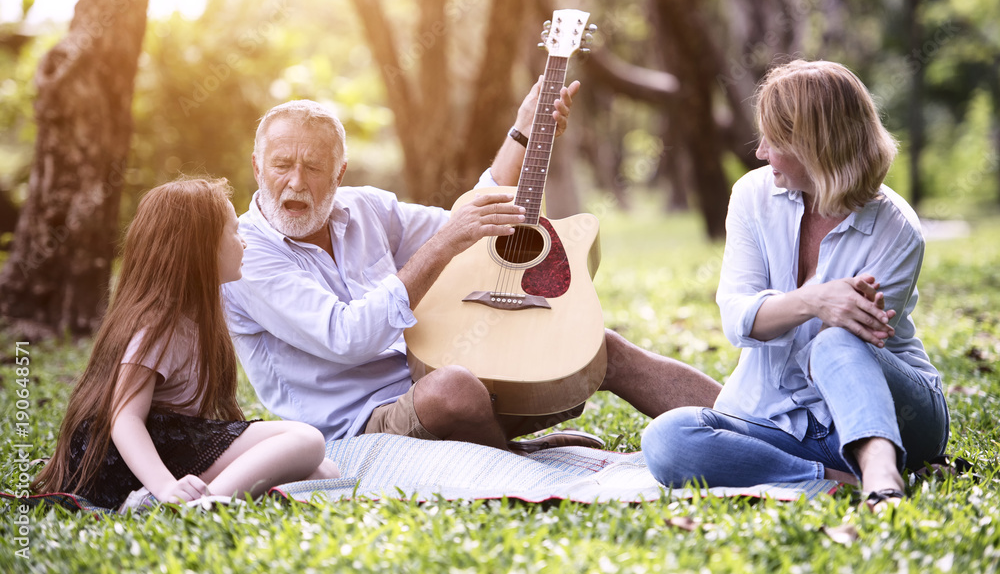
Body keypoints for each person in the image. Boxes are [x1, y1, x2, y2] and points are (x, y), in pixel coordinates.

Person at [222, 77, 722, 453]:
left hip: (435, 375)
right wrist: (440, 247)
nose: (295, 183)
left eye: (313, 168)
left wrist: (525, 130)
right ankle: (511, 459)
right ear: (256, 167)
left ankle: (757, 425)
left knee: (599, 348)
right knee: (455, 389)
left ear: (339, 172)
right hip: (355, 426)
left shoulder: (364, 207)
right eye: (282, 165)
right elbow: (347, 335)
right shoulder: (248, 256)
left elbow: (476, 219)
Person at [641, 60, 949, 511]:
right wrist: (814, 300)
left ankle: (882, 473)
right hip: (779, 424)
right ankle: (834, 479)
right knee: (667, 439)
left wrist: (819, 313)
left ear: (816, 146)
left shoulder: (895, 228)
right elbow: (738, 319)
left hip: (894, 414)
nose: (761, 152)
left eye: (775, 140)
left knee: (836, 342)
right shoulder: (752, 196)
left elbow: (835, 356)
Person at [32, 178, 339, 511]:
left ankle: (192, 499)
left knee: (324, 470)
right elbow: (124, 417)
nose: (245, 243)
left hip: (172, 444)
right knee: (307, 440)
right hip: (121, 458)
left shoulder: (199, 316)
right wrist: (165, 486)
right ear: (200, 248)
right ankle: (189, 508)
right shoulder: (157, 324)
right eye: (234, 232)